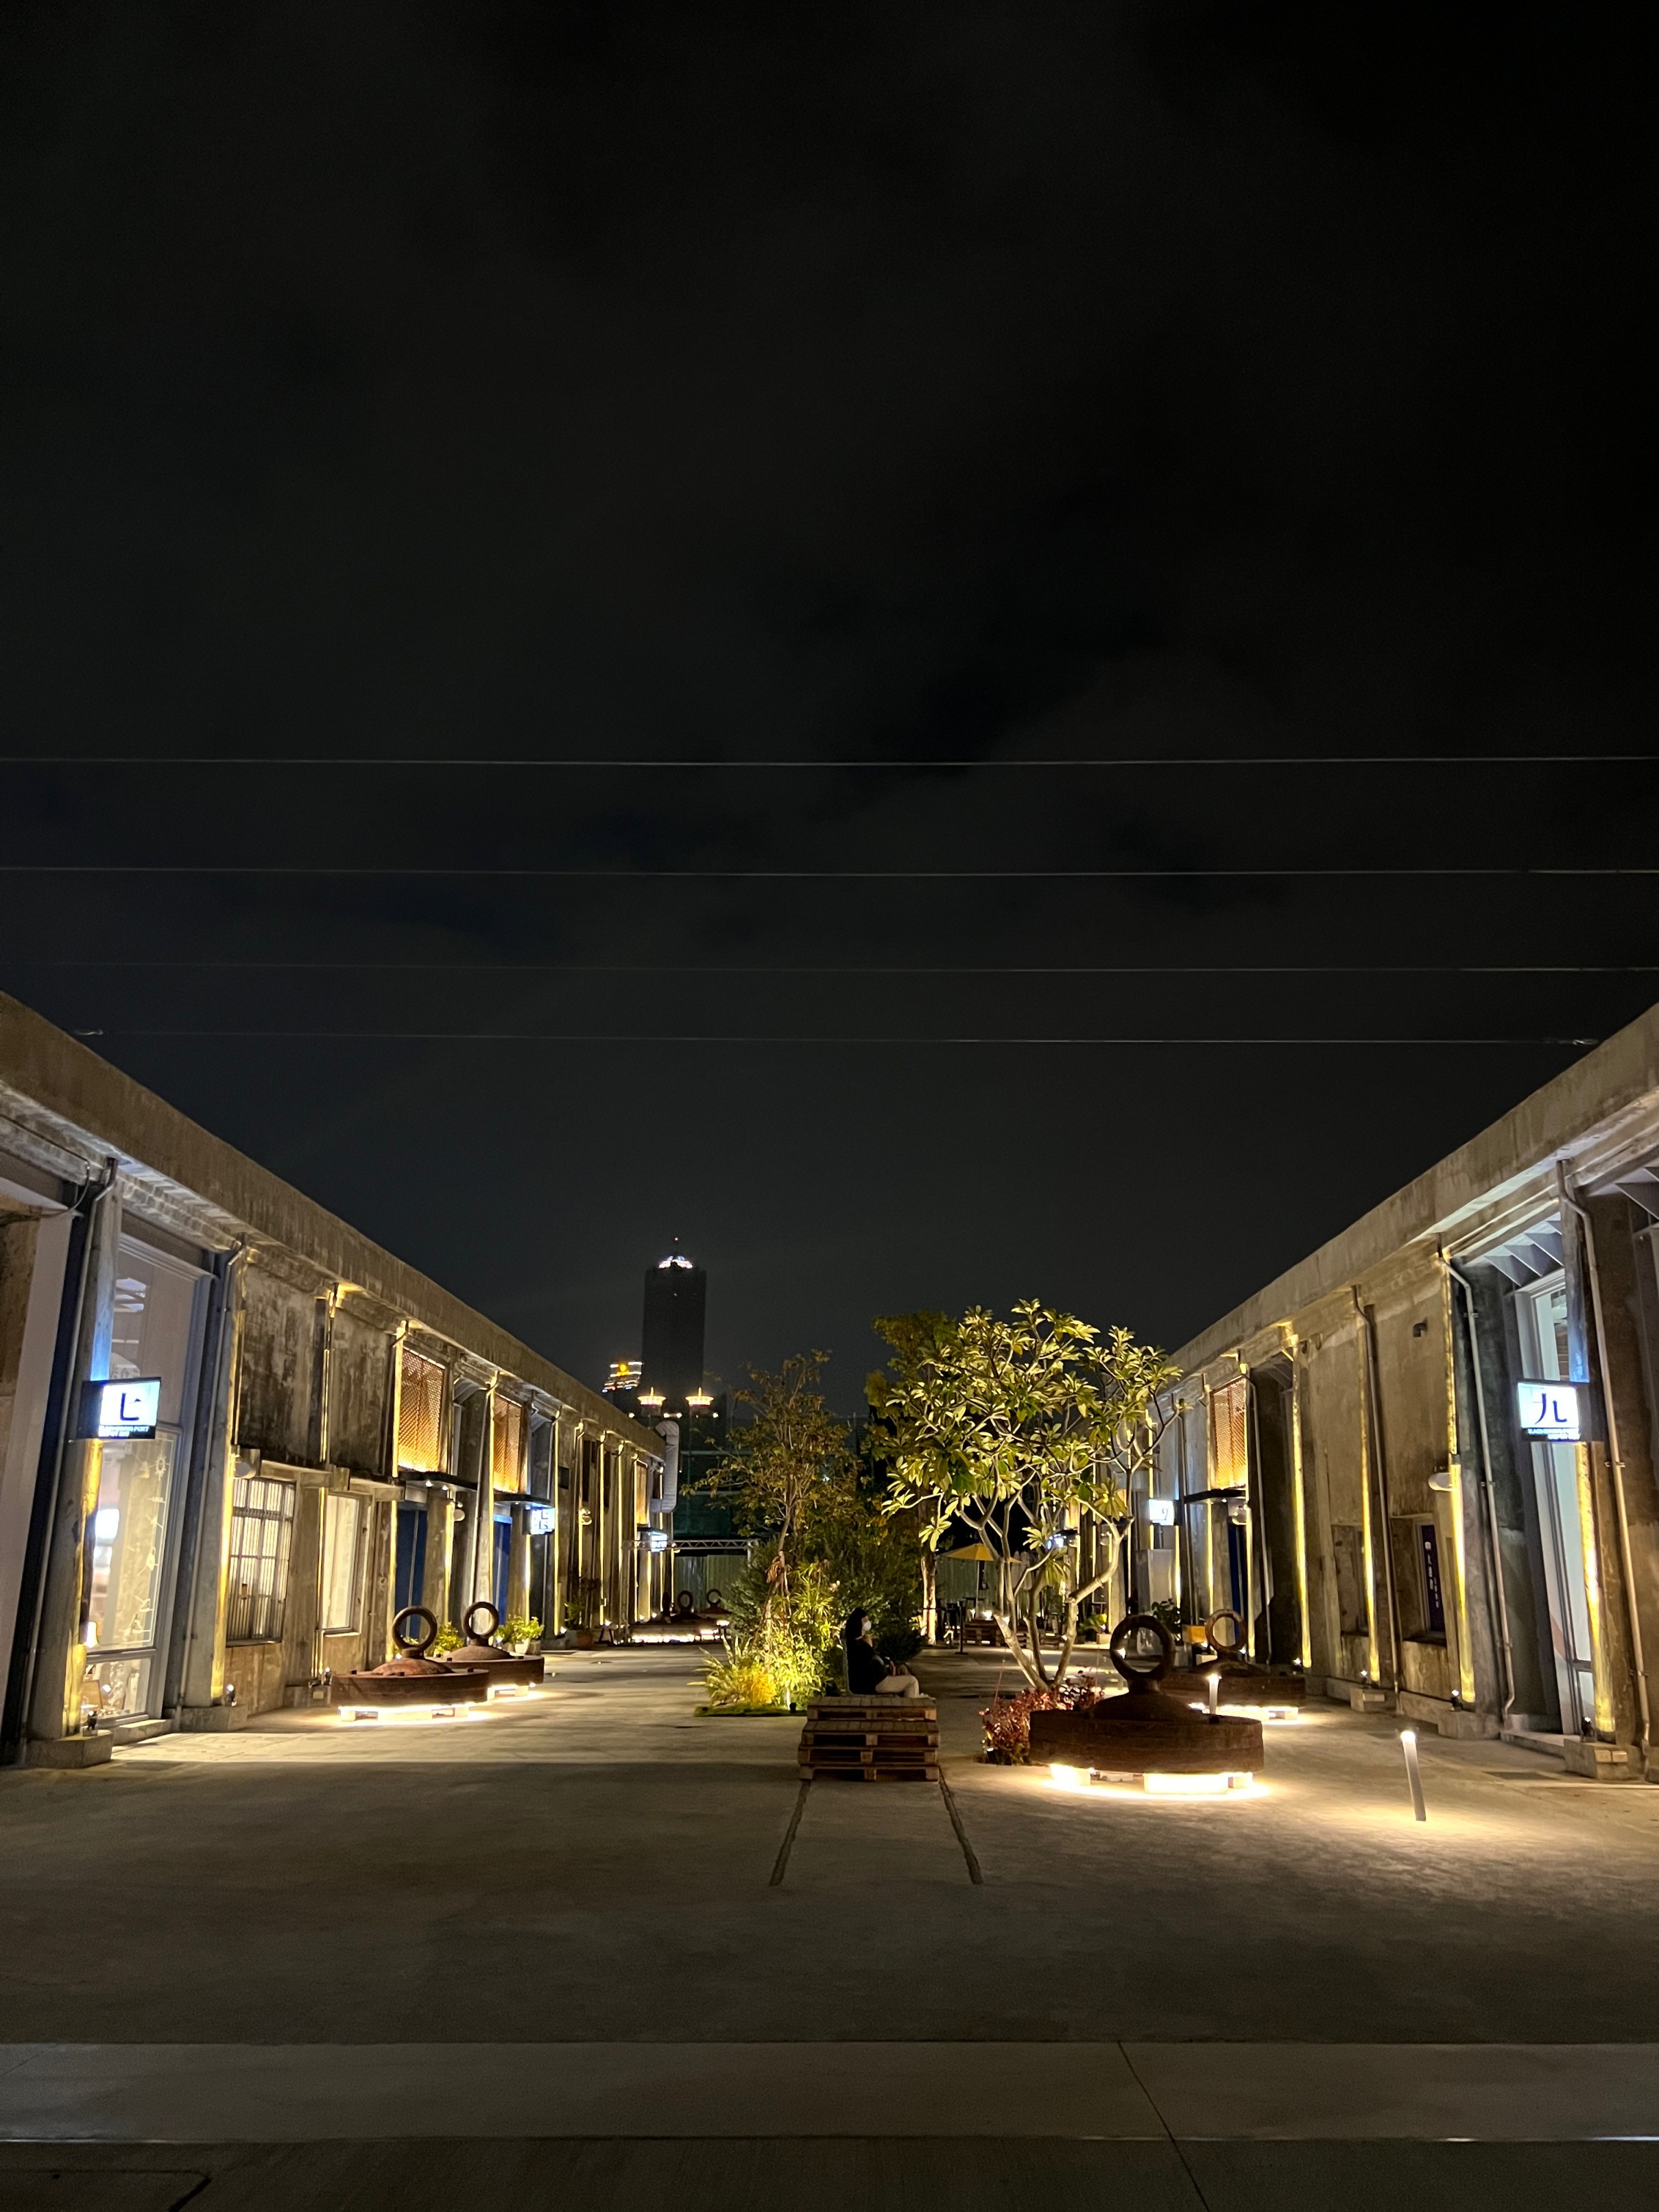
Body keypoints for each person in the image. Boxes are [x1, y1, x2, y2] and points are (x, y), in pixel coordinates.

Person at [842, 1607, 920, 1698]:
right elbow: (866, 1662)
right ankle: (910, 1706)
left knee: (903, 1669)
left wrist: (888, 1662)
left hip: (878, 1679)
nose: (867, 1623)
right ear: (858, 1624)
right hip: (873, 1684)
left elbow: (875, 1656)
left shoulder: (860, 1642)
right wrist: (869, 1646)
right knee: (912, 1682)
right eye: (865, 1620)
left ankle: (911, 1699)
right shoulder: (855, 1645)